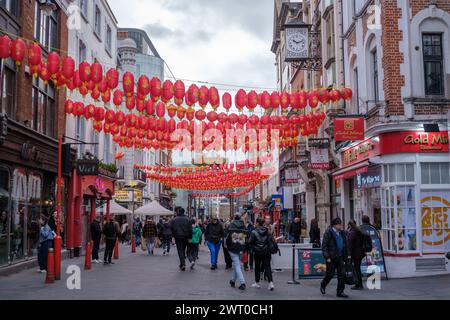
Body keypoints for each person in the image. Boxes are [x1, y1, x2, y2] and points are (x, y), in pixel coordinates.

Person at [320, 218, 349, 298]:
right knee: (330, 274)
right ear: (335, 225)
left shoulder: (342, 233)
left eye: (341, 224)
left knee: (342, 275)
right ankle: (323, 284)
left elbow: (345, 245)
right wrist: (327, 256)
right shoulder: (328, 232)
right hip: (331, 257)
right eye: (339, 224)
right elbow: (324, 246)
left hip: (340, 257)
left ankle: (340, 292)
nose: (340, 226)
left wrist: (347, 257)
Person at [249, 217, 275, 291]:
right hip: (266, 251)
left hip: (257, 252)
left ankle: (257, 283)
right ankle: (271, 283)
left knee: (257, 267)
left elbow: (250, 242)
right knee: (267, 267)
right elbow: (270, 241)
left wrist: (253, 249)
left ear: (257, 223)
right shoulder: (267, 231)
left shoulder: (254, 232)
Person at [225, 213, 248, 290]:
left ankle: (242, 283)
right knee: (236, 264)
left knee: (237, 265)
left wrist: (226, 245)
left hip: (232, 247)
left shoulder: (231, 225)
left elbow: (227, 236)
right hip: (241, 246)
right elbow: (247, 236)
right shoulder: (243, 225)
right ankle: (233, 281)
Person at [347, 220, 365, 290]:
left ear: (349, 225)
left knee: (356, 269)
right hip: (360, 253)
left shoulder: (352, 233)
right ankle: (359, 283)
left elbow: (350, 245)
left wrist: (349, 255)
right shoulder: (359, 231)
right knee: (358, 269)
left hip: (355, 254)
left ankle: (358, 284)